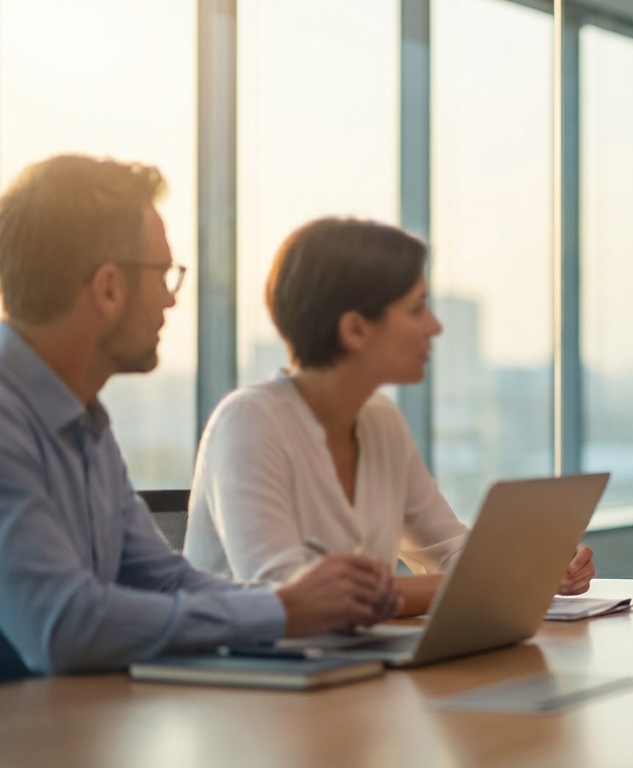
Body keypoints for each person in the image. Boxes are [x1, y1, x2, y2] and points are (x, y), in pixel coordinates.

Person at [0, 156, 401, 681]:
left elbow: (165, 582)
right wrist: (283, 610)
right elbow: (63, 626)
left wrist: (307, 601)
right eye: (162, 273)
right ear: (109, 288)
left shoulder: (85, 422)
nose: (171, 298)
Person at [183, 218, 594, 616]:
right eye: (417, 309)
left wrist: (535, 566)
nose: (434, 327)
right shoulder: (247, 424)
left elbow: (448, 552)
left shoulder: (380, 421)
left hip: (347, 669)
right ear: (356, 329)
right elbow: (294, 602)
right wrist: (490, 581)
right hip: (249, 678)